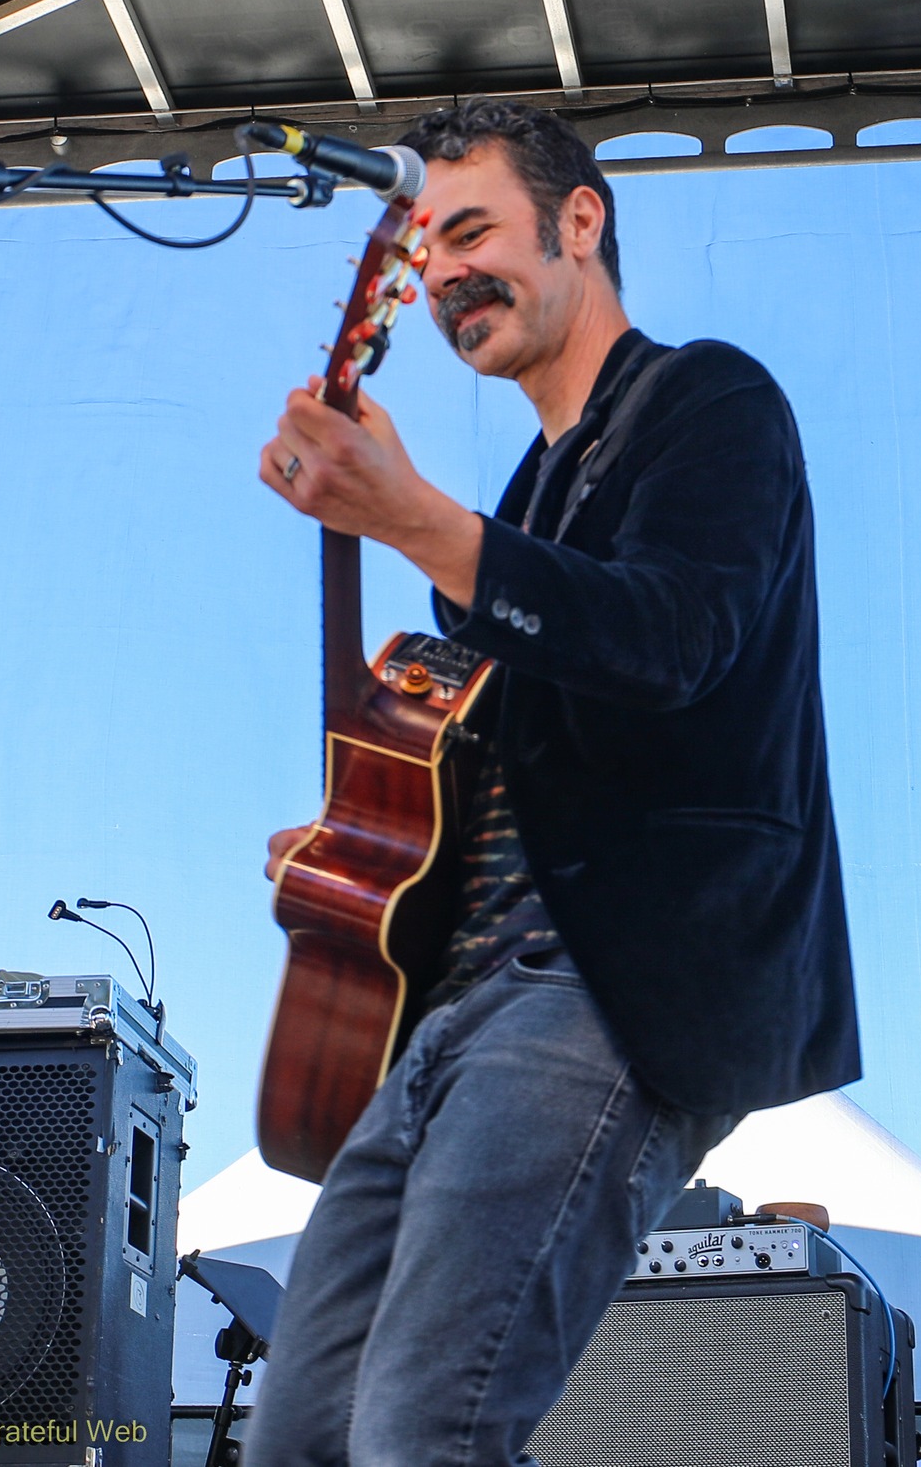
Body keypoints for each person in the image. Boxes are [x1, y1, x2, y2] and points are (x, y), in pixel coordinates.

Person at [244, 100, 858, 1464]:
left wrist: (410, 518)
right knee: (302, 1432)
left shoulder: (709, 400)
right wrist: (365, 841)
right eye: (427, 252)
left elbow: (668, 639)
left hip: (602, 988)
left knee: (423, 1432)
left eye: (473, 230)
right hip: (452, 1005)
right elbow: (501, 763)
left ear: (580, 220)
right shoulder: (524, 493)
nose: (449, 271)